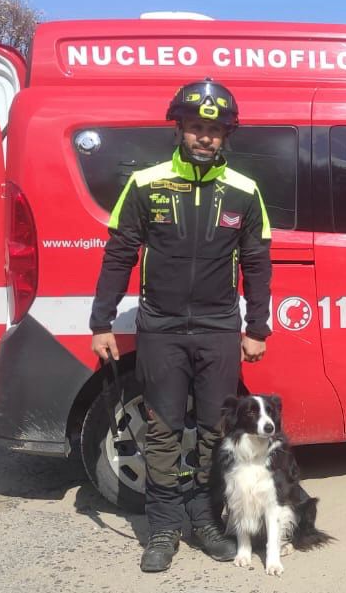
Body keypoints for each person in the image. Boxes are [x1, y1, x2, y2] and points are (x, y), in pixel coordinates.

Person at [88, 78, 274, 573]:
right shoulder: (145, 184)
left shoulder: (245, 191)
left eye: (215, 130)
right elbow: (119, 254)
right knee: (163, 431)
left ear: (226, 134)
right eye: (195, 127)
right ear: (179, 129)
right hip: (162, 328)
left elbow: (257, 264)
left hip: (218, 329)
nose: (204, 137)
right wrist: (101, 321)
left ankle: (207, 519)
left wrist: (257, 327)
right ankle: (164, 527)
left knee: (215, 432)